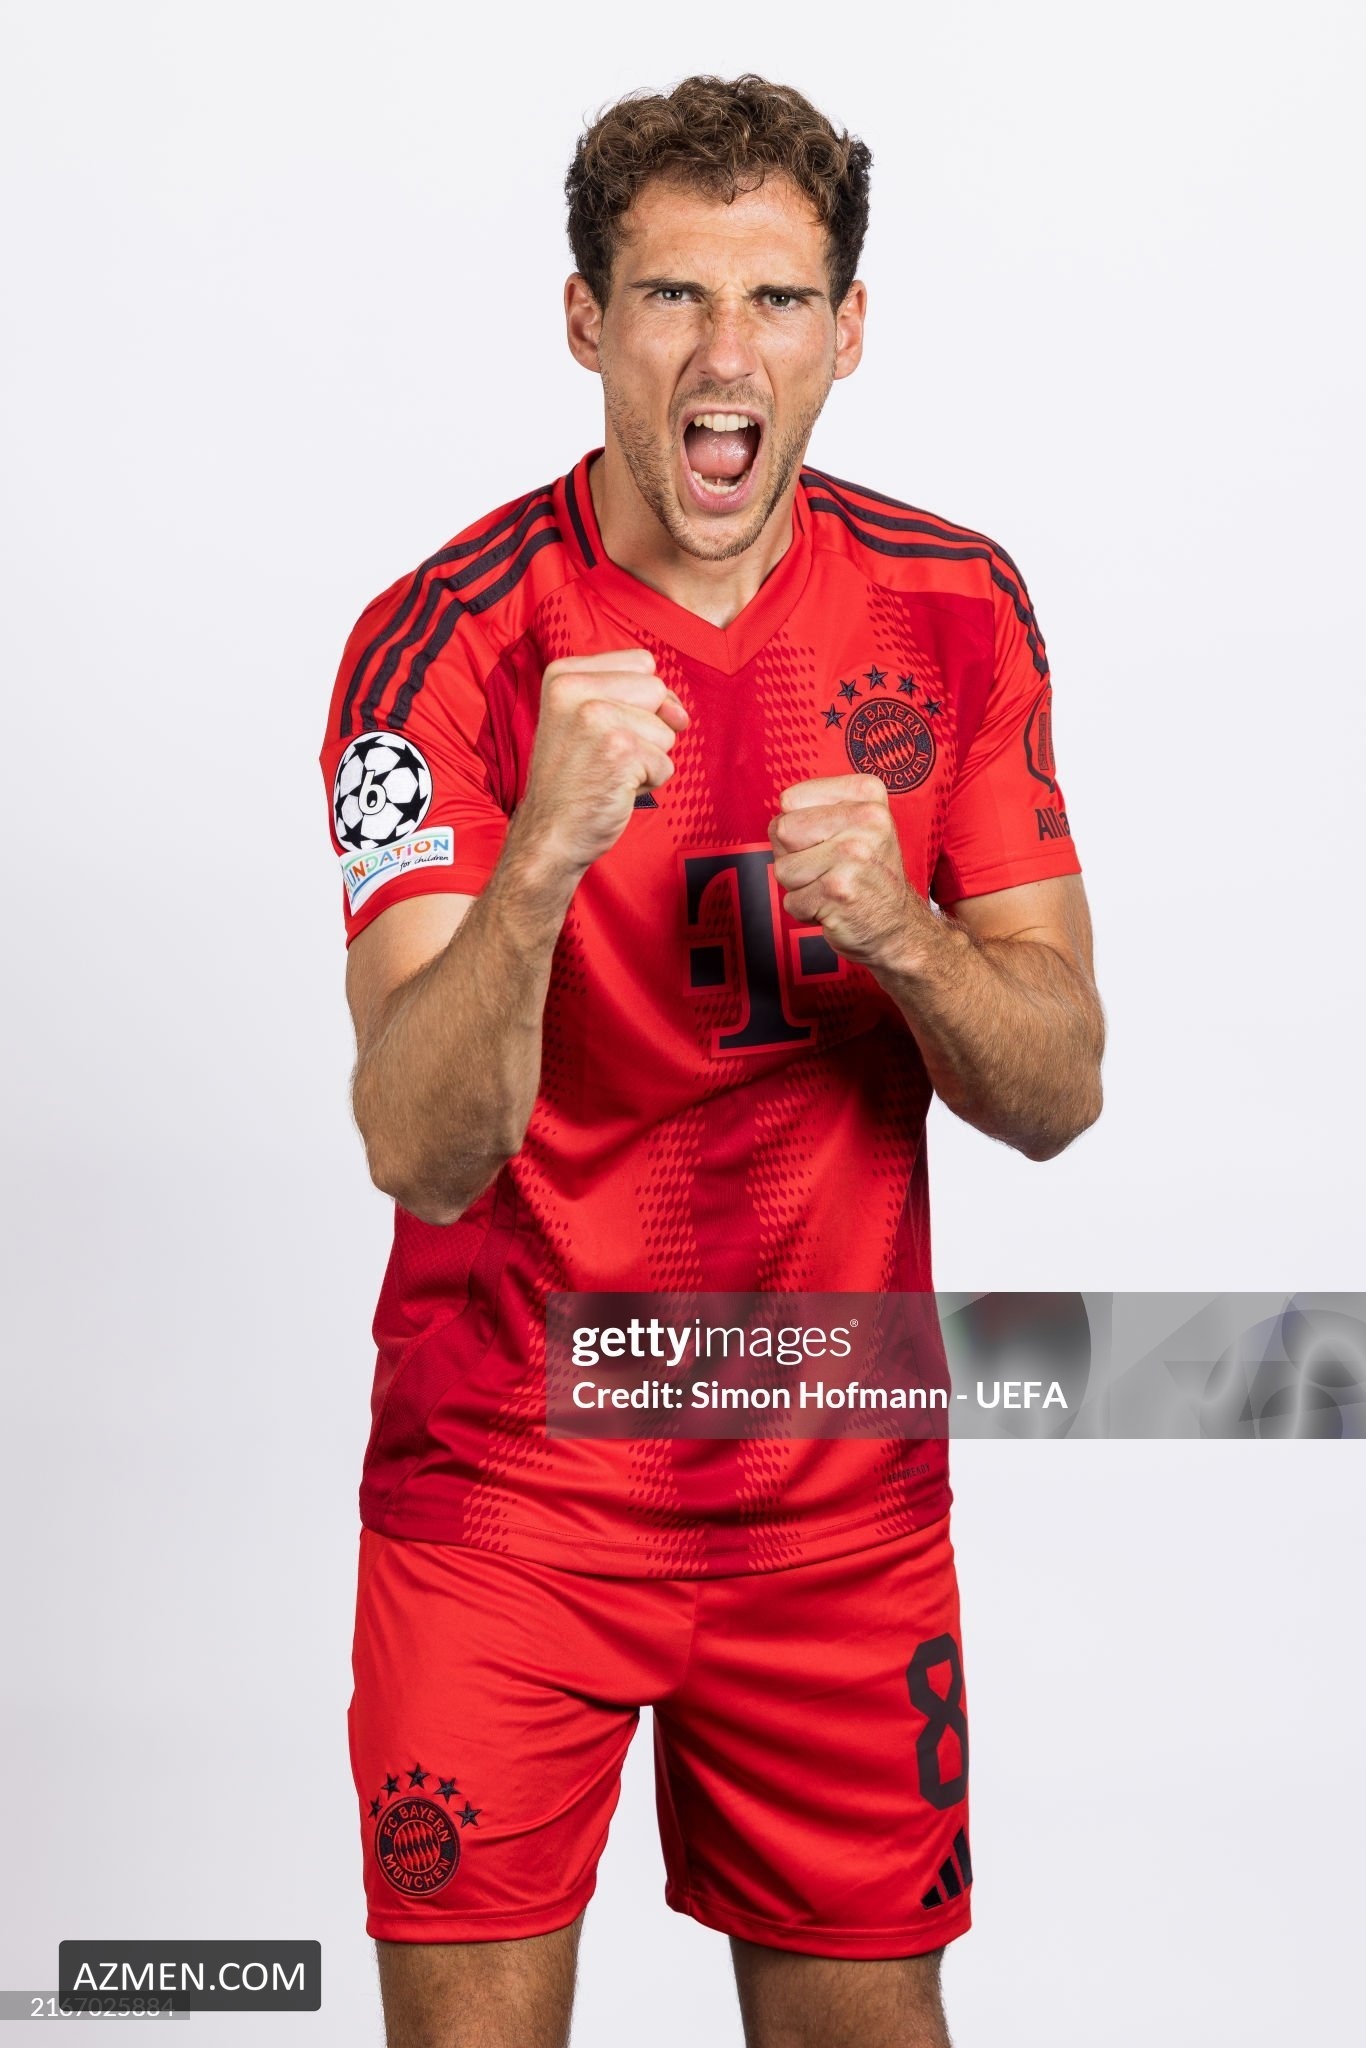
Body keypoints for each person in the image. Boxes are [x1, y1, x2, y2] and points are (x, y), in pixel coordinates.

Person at [320, 72, 1104, 2048]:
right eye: (672, 295)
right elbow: (415, 1141)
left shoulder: (952, 608)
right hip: (509, 1492)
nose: (724, 353)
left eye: (776, 300)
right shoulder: (440, 646)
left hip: (834, 1499)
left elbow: (1056, 1088)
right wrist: (538, 862)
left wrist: (905, 935)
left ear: (849, 331)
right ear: (586, 321)